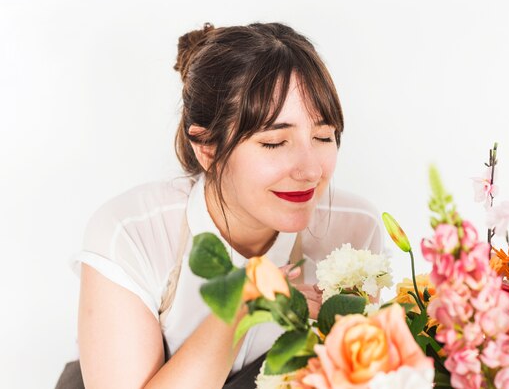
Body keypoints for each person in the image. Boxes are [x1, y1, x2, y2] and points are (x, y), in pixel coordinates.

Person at [61, 22, 384, 389]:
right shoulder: (131, 231)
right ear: (207, 148)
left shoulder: (353, 230)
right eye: (275, 143)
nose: (311, 171)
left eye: (324, 137)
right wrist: (242, 303)